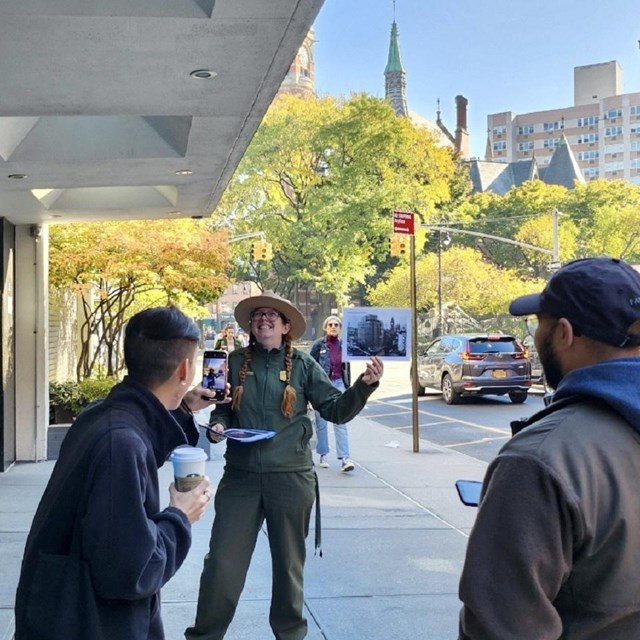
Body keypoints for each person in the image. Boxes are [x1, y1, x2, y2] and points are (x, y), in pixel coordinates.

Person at [458, 257, 640, 639]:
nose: (533, 338)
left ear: (564, 333)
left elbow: (502, 628)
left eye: (537, 324)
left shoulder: (540, 460)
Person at [185, 291, 384, 640]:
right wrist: (217, 425)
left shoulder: (305, 365)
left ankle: (290, 635)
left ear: (286, 326)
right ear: (250, 324)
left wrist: (364, 386)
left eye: (271, 316)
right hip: (241, 480)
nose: (263, 319)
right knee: (221, 564)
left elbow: (335, 410)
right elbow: (222, 407)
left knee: (289, 568)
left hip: (291, 480)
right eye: (258, 315)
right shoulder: (231, 361)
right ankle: (204, 636)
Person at [15, 306, 218, 640]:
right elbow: (130, 572)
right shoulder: (120, 443)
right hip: (87, 624)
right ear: (185, 369)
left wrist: (180, 408)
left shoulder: (104, 416)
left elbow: (140, 442)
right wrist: (179, 516)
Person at [310, 315, 354, 472]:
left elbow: (347, 368)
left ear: (340, 328)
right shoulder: (318, 345)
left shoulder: (344, 346)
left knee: (340, 421)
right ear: (325, 327)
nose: (333, 327)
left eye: (336, 325)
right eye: (330, 324)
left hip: (339, 384)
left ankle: (345, 458)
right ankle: (323, 455)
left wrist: (349, 387)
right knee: (321, 422)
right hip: (322, 386)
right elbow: (310, 366)